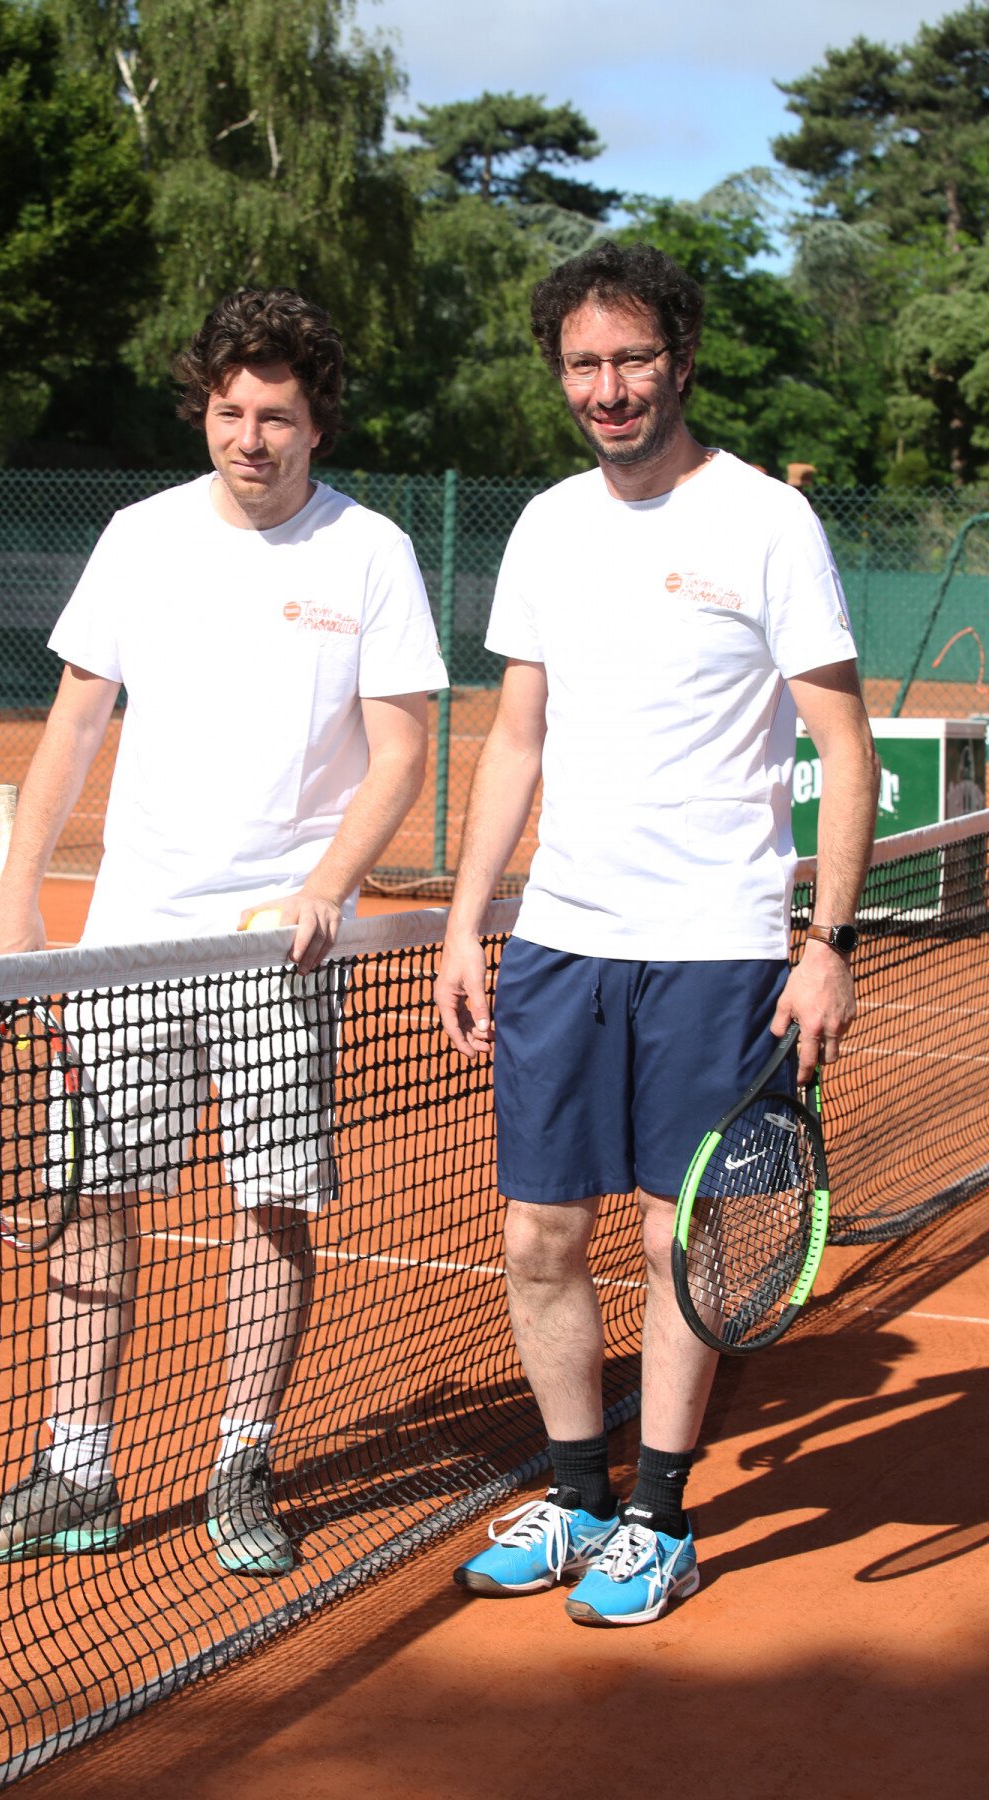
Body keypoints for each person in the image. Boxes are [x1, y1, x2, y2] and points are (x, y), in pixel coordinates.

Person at [0, 287, 448, 1574]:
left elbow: (402, 751)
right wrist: (14, 890)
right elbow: (75, 719)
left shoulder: (370, 551)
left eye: (277, 415)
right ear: (204, 411)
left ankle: (239, 1465)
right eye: (230, 412)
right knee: (94, 1194)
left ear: (316, 422)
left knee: (271, 1206)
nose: (251, 437)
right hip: (134, 936)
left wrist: (328, 882)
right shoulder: (139, 538)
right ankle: (77, 1470)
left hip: (279, 945)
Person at [435, 242, 878, 1627]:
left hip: (717, 944)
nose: (610, 387)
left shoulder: (764, 522)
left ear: (679, 358)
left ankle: (660, 1516)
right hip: (563, 941)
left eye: (633, 359)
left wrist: (830, 940)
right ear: (560, 374)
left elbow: (845, 746)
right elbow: (516, 739)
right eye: (584, 364)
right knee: (534, 1237)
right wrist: (466, 924)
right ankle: (572, 1496)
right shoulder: (550, 525)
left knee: (672, 1241)